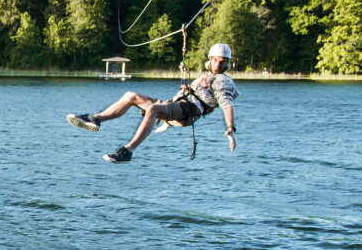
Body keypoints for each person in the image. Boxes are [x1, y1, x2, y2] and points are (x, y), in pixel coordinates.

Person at [67, 43, 240, 164]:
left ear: (227, 64)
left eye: (222, 62)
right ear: (209, 59)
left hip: (186, 112)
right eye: (216, 60)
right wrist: (166, 120)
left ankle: (127, 151)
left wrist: (230, 129)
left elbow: (227, 105)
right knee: (131, 96)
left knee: (153, 108)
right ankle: (95, 119)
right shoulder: (206, 76)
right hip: (176, 106)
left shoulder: (223, 81)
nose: (218, 64)